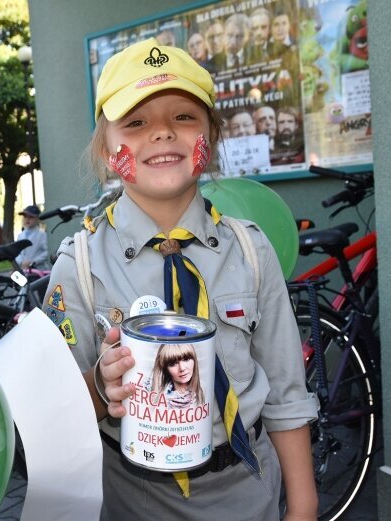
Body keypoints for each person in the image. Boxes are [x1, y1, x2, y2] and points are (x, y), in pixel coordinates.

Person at [44, 38, 317, 520]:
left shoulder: (251, 251)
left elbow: (286, 393)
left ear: (211, 136)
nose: (163, 133)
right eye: (136, 122)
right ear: (108, 150)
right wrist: (102, 388)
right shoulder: (79, 264)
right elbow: (55, 412)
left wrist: (303, 506)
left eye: (184, 117)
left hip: (249, 488)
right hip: (131, 497)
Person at [150, 343, 204, 408]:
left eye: (186, 359)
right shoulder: (158, 400)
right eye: (173, 363)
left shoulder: (204, 388)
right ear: (165, 369)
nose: (182, 368)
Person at [14, 204, 51, 271]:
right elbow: (17, 253)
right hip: (24, 270)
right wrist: (21, 262)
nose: (27, 219)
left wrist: (33, 261)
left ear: (37, 219)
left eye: (31, 217)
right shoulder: (20, 236)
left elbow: (47, 252)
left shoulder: (42, 235)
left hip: (39, 270)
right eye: (25, 217)